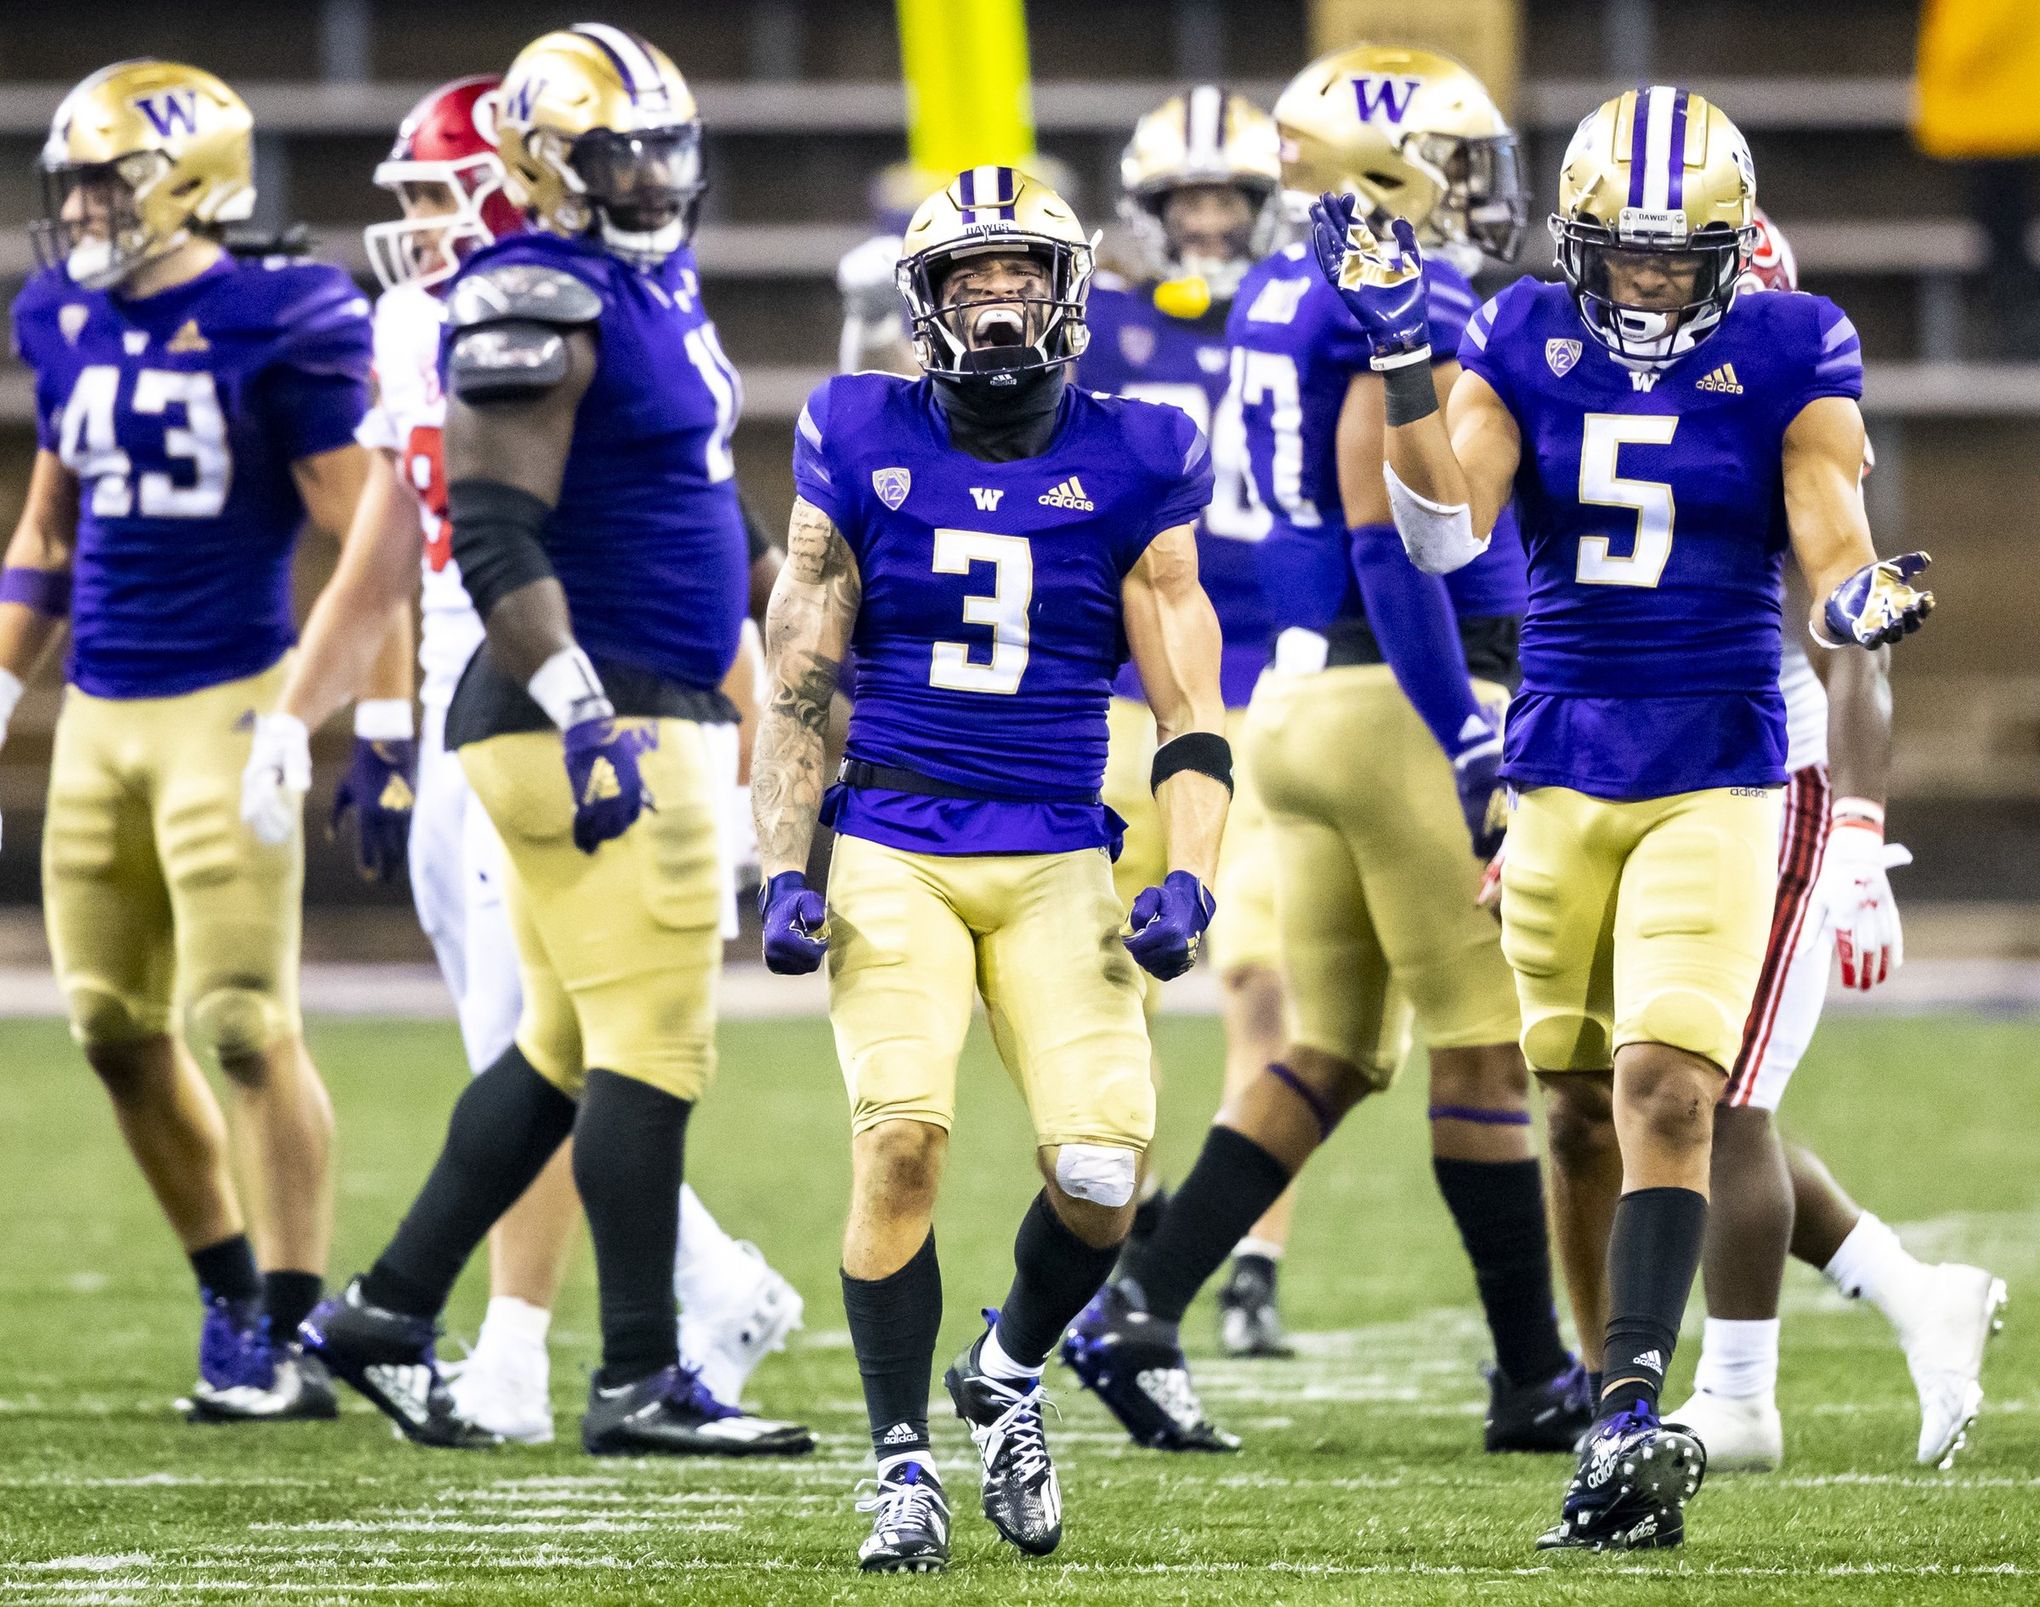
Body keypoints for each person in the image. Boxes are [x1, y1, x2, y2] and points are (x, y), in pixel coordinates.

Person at [1316, 85, 1937, 1548]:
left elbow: (1832, 535)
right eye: (1629, 254)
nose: (1652, 280)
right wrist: (1406, 356)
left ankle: (1634, 1416)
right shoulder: (1520, 332)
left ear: (1734, 247)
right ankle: (1613, 1392)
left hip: (1717, 761)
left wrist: (1860, 600)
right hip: (1556, 767)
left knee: (1671, 1082)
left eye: (1680, 255)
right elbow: (1445, 527)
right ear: (1580, 240)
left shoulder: (1796, 343)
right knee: (1577, 1105)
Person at [240, 73, 803, 1444]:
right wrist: (583, 706)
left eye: (668, 147)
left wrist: (794, 620)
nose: (653, 175)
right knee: (652, 1046)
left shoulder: (646, 287)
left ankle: (386, 1306)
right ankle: (636, 1371)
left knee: (554, 1044)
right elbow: (487, 534)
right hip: (595, 706)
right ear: (547, 164)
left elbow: (695, 495)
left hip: (639, 694)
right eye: (621, 152)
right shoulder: (525, 298)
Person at [1067, 45, 1587, 1458]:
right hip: (1395, 694)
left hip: (1297, 699)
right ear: (1389, 167)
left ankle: (1136, 1309)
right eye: (1458, 162)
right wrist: (1465, 734)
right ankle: (1538, 1373)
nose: (1479, 191)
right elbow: (1390, 535)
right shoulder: (1382, 290)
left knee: (1336, 1049)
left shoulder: (1282, 282)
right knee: (1485, 1058)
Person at [752, 166, 1229, 1571]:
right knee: (901, 1138)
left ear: (1070, 295)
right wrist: (785, 861)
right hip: (895, 836)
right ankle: (902, 1459)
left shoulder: (1139, 450)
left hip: (1058, 846)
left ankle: (1007, 1369)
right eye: (971, 277)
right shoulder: (853, 430)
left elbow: (1192, 710)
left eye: (1023, 274)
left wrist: (1191, 874)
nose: (1001, 300)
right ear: (923, 301)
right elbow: (798, 677)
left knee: (1103, 1171)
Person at [1, 59, 387, 1421]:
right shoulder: (58, 308)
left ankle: (289, 1321)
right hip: (99, 711)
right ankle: (227, 1290)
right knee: (110, 1024)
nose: (79, 208)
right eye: (73, 183)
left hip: (228, 698)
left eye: (105, 180)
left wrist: (367, 722)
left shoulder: (282, 317)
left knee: (239, 1017)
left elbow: (368, 536)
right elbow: (49, 527)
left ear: (189, 182)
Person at [1666, 211, 2006, 1472]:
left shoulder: (1787, 417)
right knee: (1655, 1086)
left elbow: (1849, 639)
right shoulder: (1600, 400)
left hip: (1772, 780)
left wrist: (1859, 835)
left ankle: (1741, 1395)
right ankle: (1920, 1294)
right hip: (1648, 777)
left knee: (1713, 1098)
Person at [1079, 85, 1296, 1357]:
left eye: (1231, 200)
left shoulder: (1296, 315)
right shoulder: (1096, 324)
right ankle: (1130, 1218)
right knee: (1118, 973)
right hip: (1126, 687)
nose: (1210, 223)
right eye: (1188, 200)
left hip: (1270, 677)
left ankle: (1253, 1252)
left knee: (1264, 967)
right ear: (1148, 211)